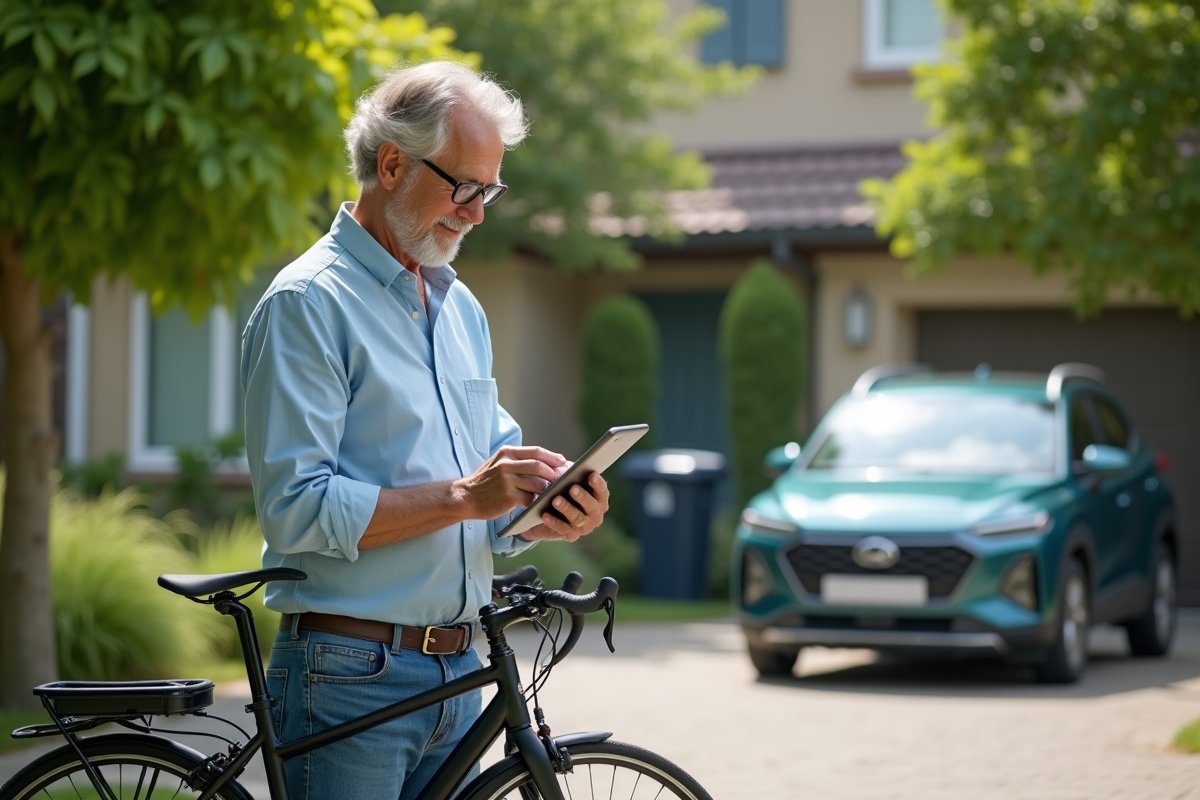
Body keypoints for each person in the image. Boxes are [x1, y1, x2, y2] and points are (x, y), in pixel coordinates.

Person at [240, 62, 610, 800]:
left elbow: (485, 495)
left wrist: (545, 510)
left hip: (461, 668)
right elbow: (296, 507)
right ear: (390, 164)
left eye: (489, 190)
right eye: (463, 187)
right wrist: (465, 497)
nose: (476, 212)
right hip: (348, 673)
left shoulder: (460, 308)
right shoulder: (308, 305)